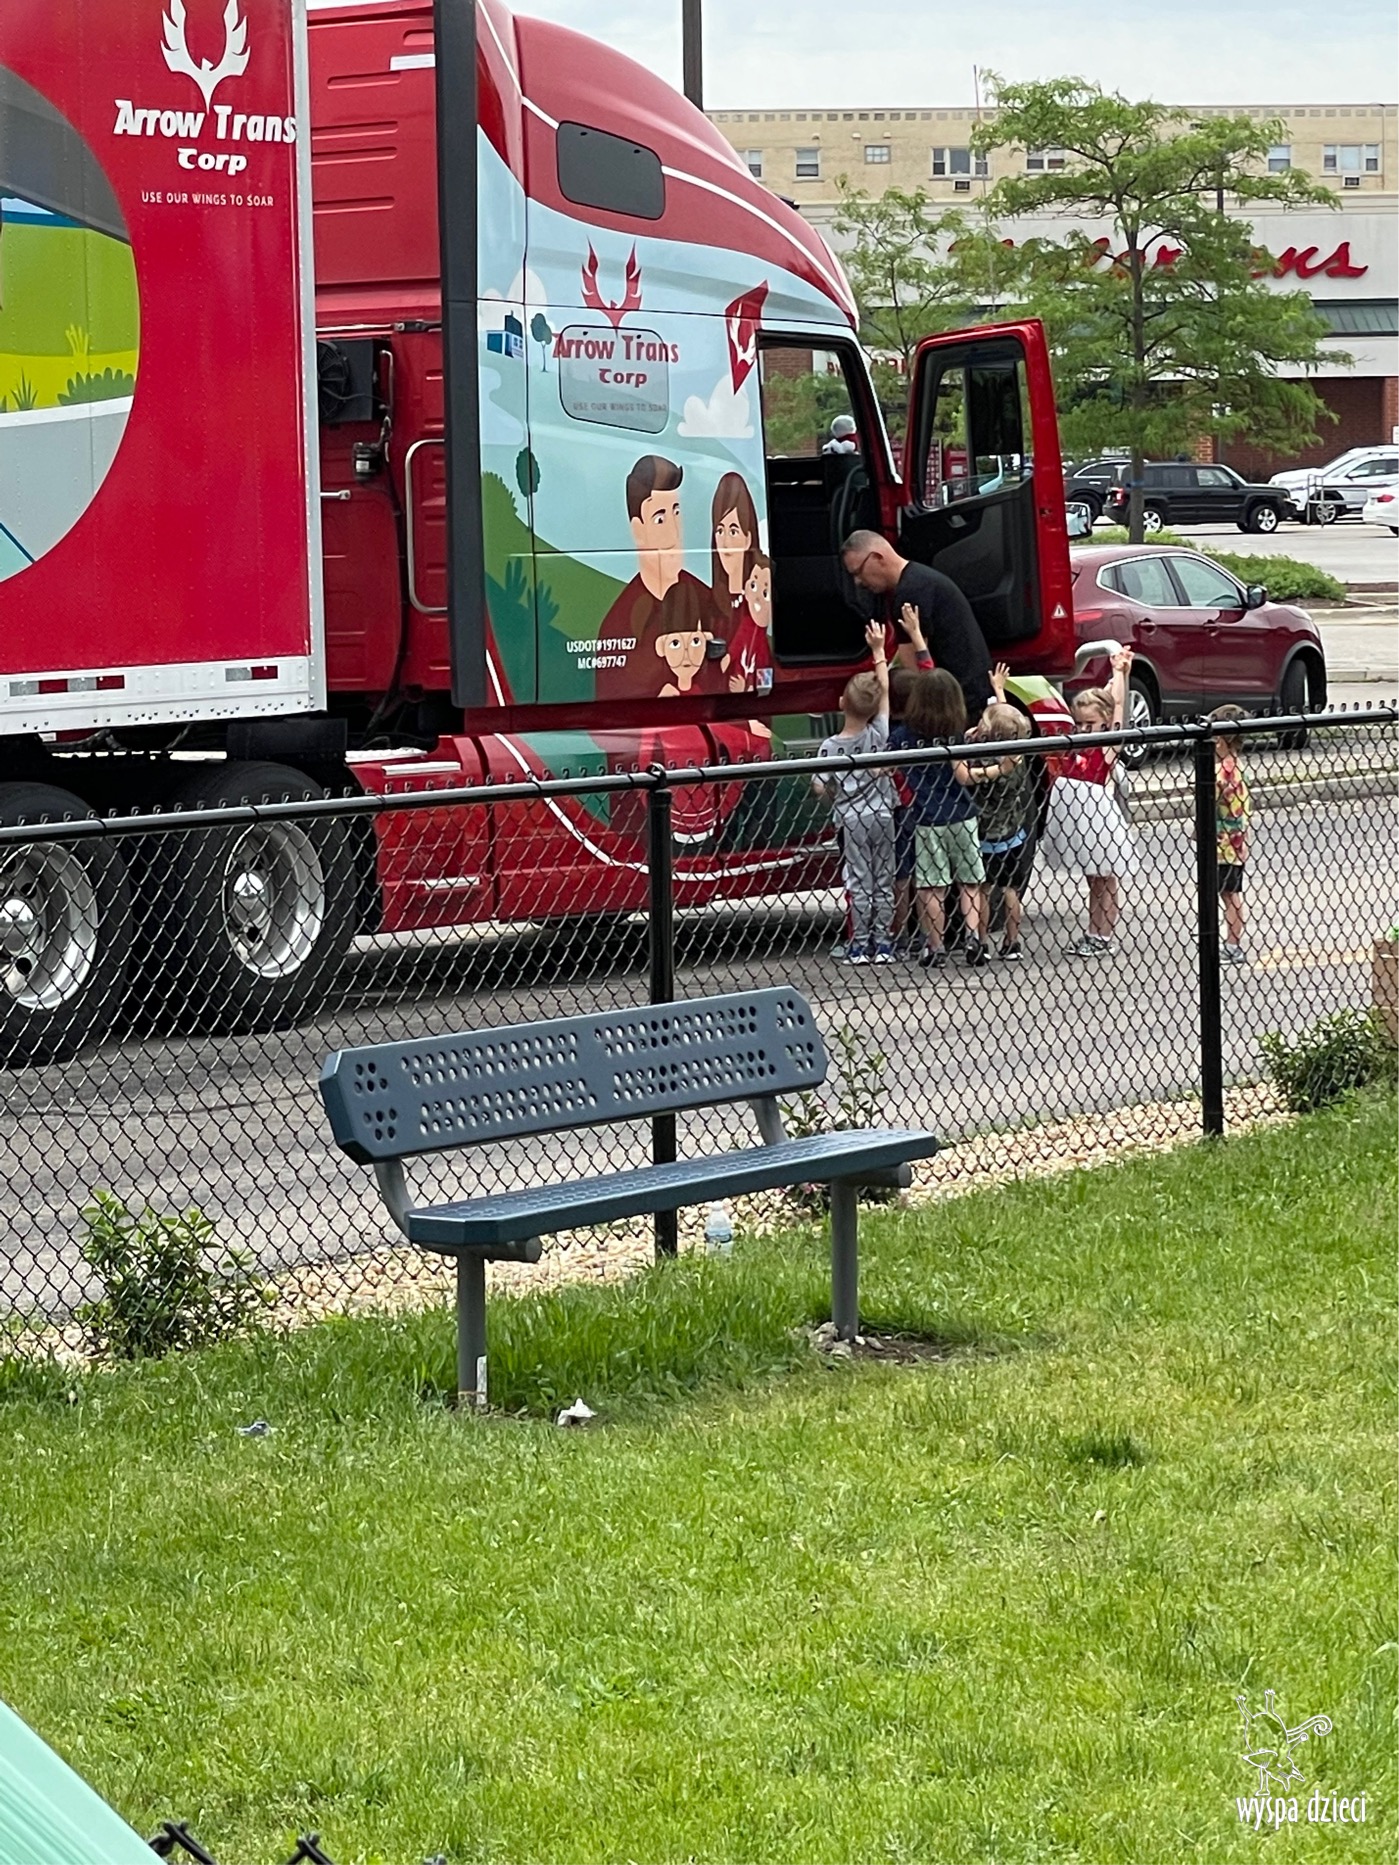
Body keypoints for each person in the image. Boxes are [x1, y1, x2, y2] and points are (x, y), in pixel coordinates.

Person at [595, 455, 726, 701]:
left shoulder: (706, 600)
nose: (674, 532)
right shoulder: (618, 623)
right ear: (638, 529)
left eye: (676, 513)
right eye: (660, 518)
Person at [1040, 648, 1139, 956]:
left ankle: (1103, 935)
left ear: (1105, 723)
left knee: (1105, 878)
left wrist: (1120, 672)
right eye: (1080, 723)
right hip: (1080, 817)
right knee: (1094, 879)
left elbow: (1116, 705)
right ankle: (1093, 931)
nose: (1083, 729)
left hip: (1099, 818)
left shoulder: (1106, 747)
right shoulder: (1078, 745)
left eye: (1090, 724)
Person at [890, 668, 987, 969]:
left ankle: (935, 946)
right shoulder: (955, 733)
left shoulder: (902, 737)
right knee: (970, 882)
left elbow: (888, 768)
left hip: (927, 818)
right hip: (963, 814)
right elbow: (962, 772)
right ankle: (973, 937)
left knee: (932, 887)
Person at [841, 530, 993, 720]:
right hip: (971, 693)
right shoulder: (920, 580)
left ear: (877, 557)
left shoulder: (909, 595)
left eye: (858, 572)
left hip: (957, 704)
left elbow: (912, 675)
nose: (857, 582)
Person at [812, 621, 896, 964]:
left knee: (860, 880)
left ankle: (859, 945)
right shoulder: (879, 733)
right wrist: (878, 651)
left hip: (851, 819)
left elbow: (819, 785)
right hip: (884, 814)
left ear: (841, 702)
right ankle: (884, 943)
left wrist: (833, 796)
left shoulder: (830, 747)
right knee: (884, 878)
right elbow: (885, 690)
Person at [965, 670, 1035, 960]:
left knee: (983, 890)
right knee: (1011, 890)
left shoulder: (981, 757)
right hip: (1014, 834)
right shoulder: (1017, 755)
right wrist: (999, 691)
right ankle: (1012, 942)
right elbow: (1007, 723)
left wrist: (971, 739)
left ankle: (981, 942)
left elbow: (968, 773)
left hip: (985, 835)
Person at [1210, 704, 1251, 964]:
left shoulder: (1222, 772)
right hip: (1234, 841)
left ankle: (1233, 944)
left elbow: (1211, 801)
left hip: (1223, 843)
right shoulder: (1236, 766)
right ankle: (1229, 940)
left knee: (1229, 894)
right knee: (1228, 891)